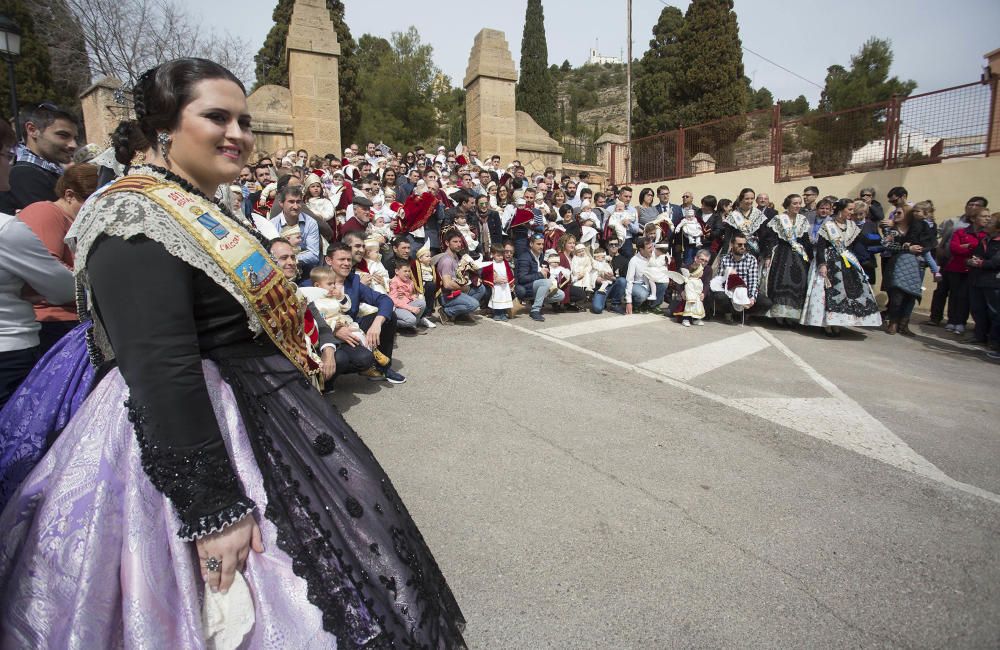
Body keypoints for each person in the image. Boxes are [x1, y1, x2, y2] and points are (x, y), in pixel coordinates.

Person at [0, 59, 464, 647]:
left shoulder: (201, 206)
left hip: (255, 418)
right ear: (164, 128)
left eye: (244, 120)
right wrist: (213, 510)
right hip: (192, 444)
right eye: (216, 117)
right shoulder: (133, 215)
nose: (238, 133)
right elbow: (161, 367)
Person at [17, 164, 100, 353]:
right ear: (69, 195)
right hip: (55, 323)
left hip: (75, 319)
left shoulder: (77, 223)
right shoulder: (47, 212)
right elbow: (45, 271)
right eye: (90, 201)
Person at [799, 199, 881, 335]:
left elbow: (863, 240)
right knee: (830, 292)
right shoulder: (828, 226)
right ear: (841, 210)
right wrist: (822, 264)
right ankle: (827, 324)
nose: (852, 212)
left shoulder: (852, 226)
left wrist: (883, 240)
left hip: (845, 262)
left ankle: (839, 322)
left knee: (848, 292)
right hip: (829, 261)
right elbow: (820, 247)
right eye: (849, 209)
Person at [0, 103, 78, 212]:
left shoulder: (49, 171)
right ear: (32, 130)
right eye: (63, 135)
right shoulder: (24, 175)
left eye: (75, 138)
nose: (73, 145)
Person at [928, 196, 989, 326]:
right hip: (947, 262)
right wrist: (939, 256)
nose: (972, 207)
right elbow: (943, 239)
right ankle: (935, 318)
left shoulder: (985, 227)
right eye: (970, 204)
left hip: (969, 267)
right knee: (941, 291)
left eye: (976, 205)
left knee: (961, 295)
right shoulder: (953, 222)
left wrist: (966, 247)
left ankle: (956, 321)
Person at [881, 202, 934, 336]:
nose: (895, 215)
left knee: (910, 297)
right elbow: (886, 244)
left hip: (915, 266)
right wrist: (906, 248)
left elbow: (930, 242)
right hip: (897, 265)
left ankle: (903, 325)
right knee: (896, 296)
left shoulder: (917, 228)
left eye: (899, 213)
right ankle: (893, 322)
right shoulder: (891, 229)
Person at [760, 193, 812, 325]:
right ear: (788, 205)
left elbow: (805, 241)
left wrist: (809, 257)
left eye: (799, 203)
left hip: (798, 255)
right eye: (795, 203)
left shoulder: (802, 220)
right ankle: (778, 314)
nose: (798, 206)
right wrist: (767, 256)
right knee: (781, 281)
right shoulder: (779, 219)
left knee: (798, 282)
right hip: (782, 254)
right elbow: (771, 239)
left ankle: (792, 315)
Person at [435, 228, 486, 321]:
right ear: (447, 243)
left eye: (460, 241)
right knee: (474, 304)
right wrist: (463, 288)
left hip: (457, 291)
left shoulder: (456, 257)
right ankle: (446, 312)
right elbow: (447, 284)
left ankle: (461, 314)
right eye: (455, 242)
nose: (459, 244)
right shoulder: (446, 260)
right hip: (447, 295)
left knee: (481, 288)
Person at [967, 212, 1000, 357]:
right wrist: (971, 261)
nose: (987, 222)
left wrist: (980, 263)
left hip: (993, 282)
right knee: (977, 309)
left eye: (991, 221)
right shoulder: (985, 239)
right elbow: (976, 254)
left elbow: (996, 262)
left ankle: (994, 342)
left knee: (995, 312)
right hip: (978, 279)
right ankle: (979, 336)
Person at [270, 184, 321, 272]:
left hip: (305, 270)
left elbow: (313, 255)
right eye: (291, 202)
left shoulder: (310, 223)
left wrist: (291, 259)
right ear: (281, 203)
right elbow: (271, 255)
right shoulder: (272, 224)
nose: (295, 206)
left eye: (298, 202)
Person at [516, 232, 564, 321]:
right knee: (546, 282)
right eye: (538, 244)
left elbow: (541, 270)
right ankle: (535, 310)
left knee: (560, 295)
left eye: (542, 244)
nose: (541, 246)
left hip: (538, 285)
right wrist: (540, 274)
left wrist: (546, 273)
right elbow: (522, 279)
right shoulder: (525, 257)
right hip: (525, 287)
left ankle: (537, 301)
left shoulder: (540, 255)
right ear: (531, 244)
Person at [720, 188, 767, 258]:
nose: (750, 201)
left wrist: (765, 254)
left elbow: (763, 235)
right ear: (741, 199)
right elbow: (728, 237)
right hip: (737, 251)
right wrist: (724, 253)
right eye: (747, 198)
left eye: (752, 198)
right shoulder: (733, 215)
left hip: (754, 251)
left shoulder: (758, 214)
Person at [480, 244, 514, 321]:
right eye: (498, 255)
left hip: (504, 286)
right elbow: (486, 275)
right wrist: (494, 280)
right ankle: (497, 313)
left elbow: (509, 273)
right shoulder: (490, 264)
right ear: (492, 254)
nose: (501, 257)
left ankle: (503, 314)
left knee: (504, 299)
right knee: (497, 299)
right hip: (496, 286)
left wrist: (509, 281)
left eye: (502, 255)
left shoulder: (505, 263)